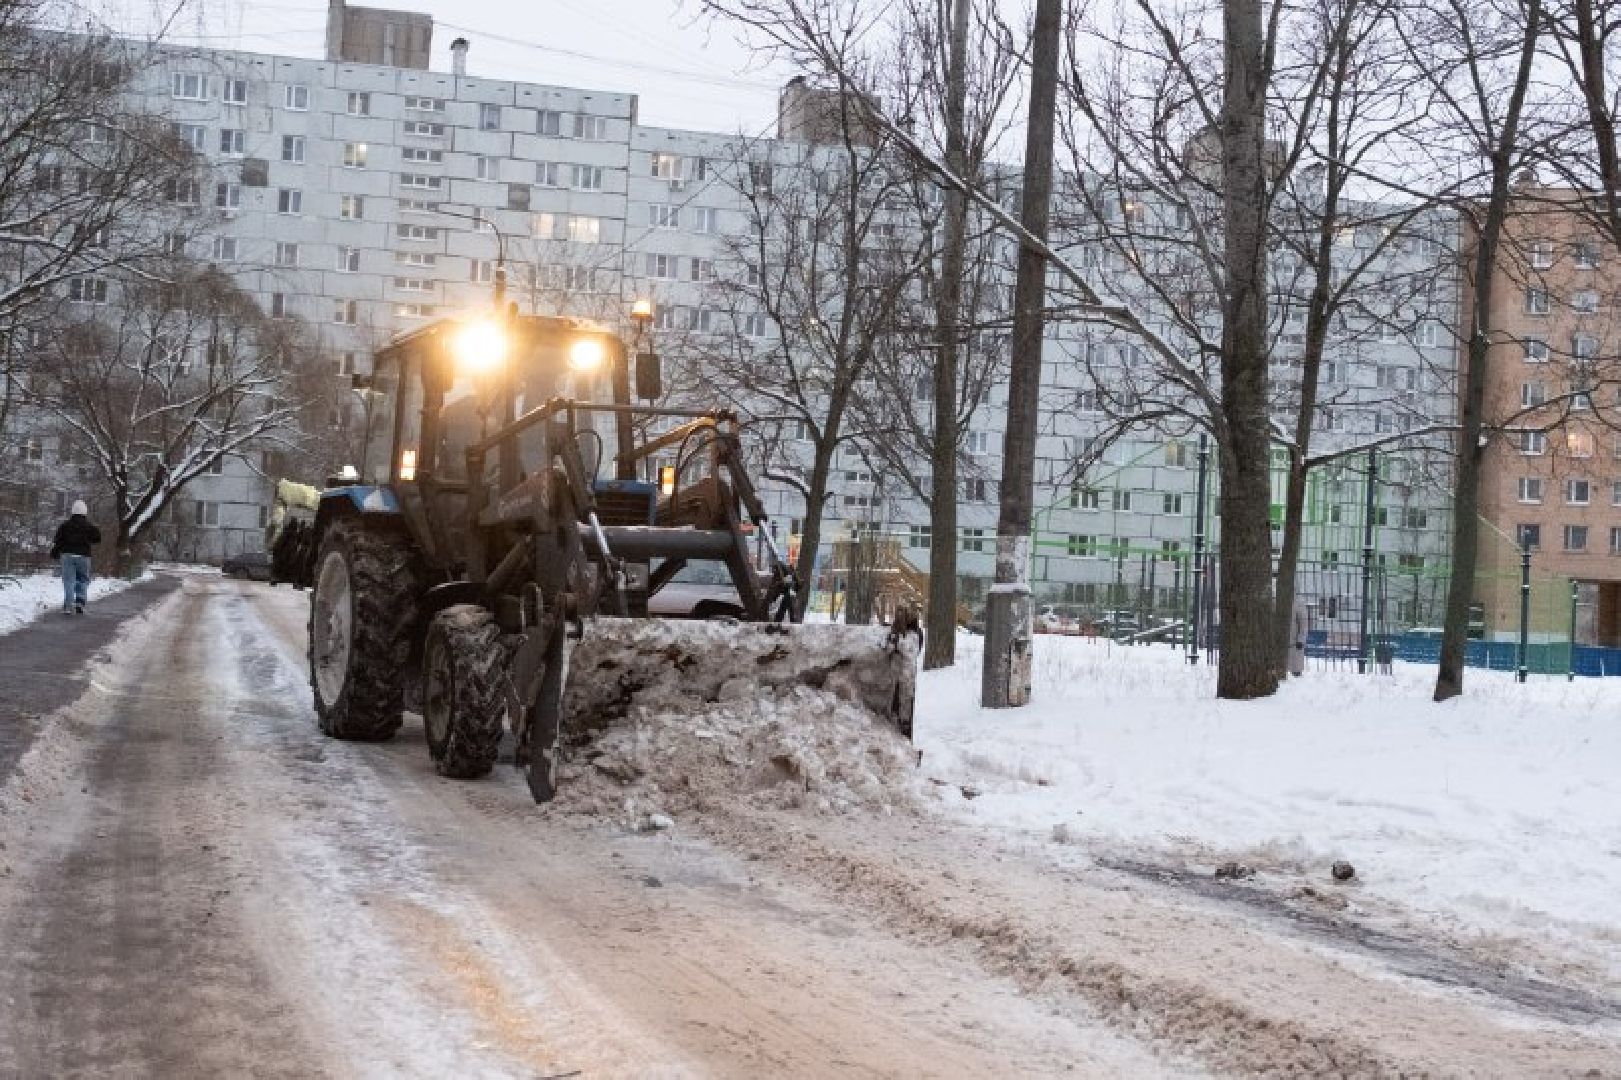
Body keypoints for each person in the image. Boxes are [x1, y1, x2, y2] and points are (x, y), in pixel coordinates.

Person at [49, 500, 101, 614]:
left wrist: (55, 551)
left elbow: (58, 541)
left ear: (72, 511)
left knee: (69, 580)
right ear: (85, 512)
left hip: (67, 556)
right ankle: (80, 602)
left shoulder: (64, 526)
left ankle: (68, 606)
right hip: (84, 557)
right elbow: (97, 538)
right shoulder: (89, 526)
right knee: (83, 579)